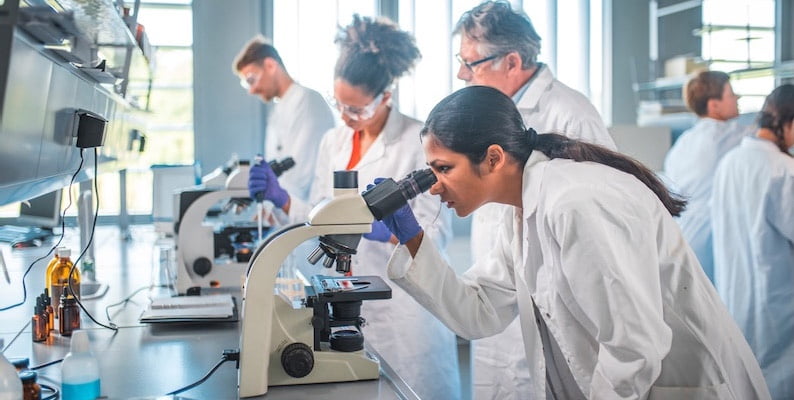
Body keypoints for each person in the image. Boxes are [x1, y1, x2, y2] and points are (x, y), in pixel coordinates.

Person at [379, 86, 770, 399]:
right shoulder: (520, 208)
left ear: (494, 157)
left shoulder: (577, 202)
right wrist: (413, 238)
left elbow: (632, 349)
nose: (433, 187)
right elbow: (479, 312)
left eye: (444, 168)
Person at [247, 15, 460, 400]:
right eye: (339, 105)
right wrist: (282, 197)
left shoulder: (420, 140)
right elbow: (317, 214)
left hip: (405, 317)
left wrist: (386, 227)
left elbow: (438, 234)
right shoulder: (334, 141)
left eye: (357, 110)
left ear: (386, 97)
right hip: (348, 300)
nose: (346, 118)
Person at [453, 2, 615, 397]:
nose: (461, 74)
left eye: (471, 63)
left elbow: (601, 226)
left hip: (553, 307)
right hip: (500, 292)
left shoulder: (572, 115)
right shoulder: (490, 112)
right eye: (460, 61)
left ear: (511, 62)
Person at [711, 84, 794, 400]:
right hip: (778, 301)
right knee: (777, 384)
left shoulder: (730, 163)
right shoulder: (783, 171)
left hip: (736, 294)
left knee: (746, 380)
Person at [662, 70, 748, 283]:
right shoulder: (722, 137)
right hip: (709, 237)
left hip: (681, 236)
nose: (738, 98)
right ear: (714, 105)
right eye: (731, 94)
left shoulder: (684, 142)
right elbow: (765, 134)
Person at [233, 35, 335, 201]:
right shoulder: (278, 109)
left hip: (307, 210)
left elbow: (300, 174)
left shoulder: (306, 100)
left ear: (270, 65)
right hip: (287, 211)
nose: (251, 90)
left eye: (251, 80)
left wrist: (280, 206)